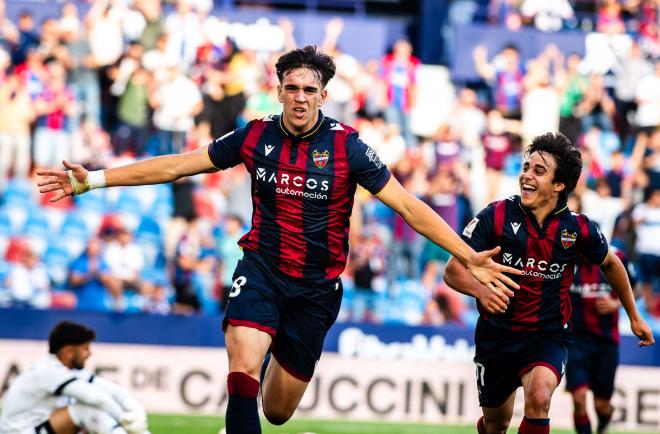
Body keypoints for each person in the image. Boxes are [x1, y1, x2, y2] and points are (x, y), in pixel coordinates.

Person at [37, 45, 521, 433]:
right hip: (262, 268)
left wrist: (468, 255)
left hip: (315, 290)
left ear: (323, 95)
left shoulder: (348, 147)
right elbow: (175, 165)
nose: (300, 97)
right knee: (242, 367)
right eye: (291, 87)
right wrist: (94, 179)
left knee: (277, 412)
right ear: (279, 90)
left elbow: (411, 207)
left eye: (310, 89)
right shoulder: (254, 136)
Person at [443, 132, 654, 434]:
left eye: (538, 171)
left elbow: (610, 262)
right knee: (496, 424)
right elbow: (452, 271)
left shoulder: (576, 228)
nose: (527, 176)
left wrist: (634, 316)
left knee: (540, 397)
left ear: (559, 185)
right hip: (496, 336)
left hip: (548, 333)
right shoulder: (496, 215)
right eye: (526, 168)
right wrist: (480, 291)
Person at [0, 321, 148, 434]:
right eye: (85, 349)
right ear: (69, 351)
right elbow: (94, 397)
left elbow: (113, 391)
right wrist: (124, 418)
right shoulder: (47, 370)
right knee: (84, 410)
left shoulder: (66, 371)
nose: (89, 354)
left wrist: (136, 411)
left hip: (37, 428)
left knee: (92, 420)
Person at [566, 248, 629, 434]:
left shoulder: (616, 257)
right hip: (576, 339)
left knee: (601, 405)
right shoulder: (567, 258)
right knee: (578, 398)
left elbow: (636, 288)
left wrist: (617, 303)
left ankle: (604, 420)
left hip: (606, 342)